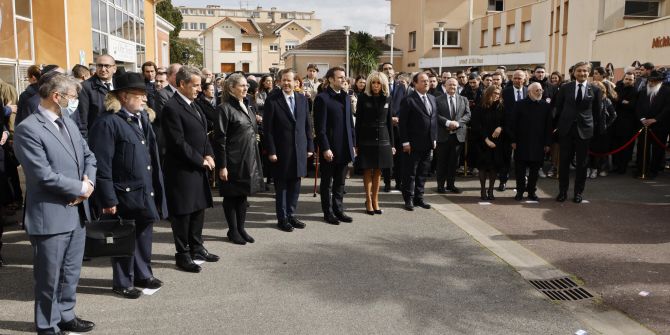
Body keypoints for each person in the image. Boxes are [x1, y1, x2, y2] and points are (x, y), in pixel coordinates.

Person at [13, 73, 96, 334]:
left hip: (76, 212)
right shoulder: (29, 129)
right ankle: (47, 324)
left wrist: (89, 185)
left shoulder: (68, 121)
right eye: (72, 97)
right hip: (50, 215)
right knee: (49, 277)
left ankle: (66, 315)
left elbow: (88, 155)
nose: (75, 102)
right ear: (56, 96)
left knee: (71, 272)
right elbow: (42, 175)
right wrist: (80, 188)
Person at [88, 72, 167, 299]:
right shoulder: (108, 122)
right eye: (140, 95)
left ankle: (143, 274)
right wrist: (108, 198)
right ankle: (123, 281)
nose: (145, 100)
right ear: (123, 96)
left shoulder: (142, 118)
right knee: (124, 237)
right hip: (123, 192)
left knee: (144, 233)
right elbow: (101, 164)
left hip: (143, 189)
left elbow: (150, 155)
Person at [162, 66, 218, 272]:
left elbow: (203, 135)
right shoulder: (172, 107)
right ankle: (182, 253)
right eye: (194, 85)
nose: (199, 89)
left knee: (198, 209)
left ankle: (197, 247)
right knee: (183, 213)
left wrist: (210, 154)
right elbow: (177, 142)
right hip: (182, 170)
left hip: (197, 167)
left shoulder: (194, 105)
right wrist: (200, 160)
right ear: (182, 84)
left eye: (200, 85)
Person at [214, 73, 265, 244]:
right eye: (242, 85)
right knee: (231, 196)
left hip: (248, 158)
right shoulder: (224, 109)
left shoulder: (248, 106)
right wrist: (222, 165)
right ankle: (233, 230)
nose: (246, 88)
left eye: (246, 85)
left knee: (243, 196)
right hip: (232, 160)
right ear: (231, 88)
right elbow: (220, 139)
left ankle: (241, 228)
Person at [263, 69, 314, 230]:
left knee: (295, 185)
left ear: (296, 82)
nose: (286, 83)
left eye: (289, 80)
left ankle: (291, 215)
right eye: (283, 80)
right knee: (282, 187)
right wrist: (271, 151)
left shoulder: (302, 99)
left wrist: (310, 146)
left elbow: (307, 125)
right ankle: (282, 218)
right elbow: (268, 129)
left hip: (299, 149)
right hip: (281, 151)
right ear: (279, 82)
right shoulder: (272, 100)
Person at [554, 61, 603, 203]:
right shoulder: (565, 88)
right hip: (566, 130)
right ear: (574, 73)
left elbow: (596, 112)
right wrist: (558, 126)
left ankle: (578, 193)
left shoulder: (595, 90)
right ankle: (562, 192)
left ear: (589, 73)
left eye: (585, 71)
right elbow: (558, 107)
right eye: (579, 71)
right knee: (564, 162)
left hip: (585, 131)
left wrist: (595, 130)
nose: (582, 73)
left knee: (582, 164)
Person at [314, 66, 356, 224]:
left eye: (344, 77)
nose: (343, 80)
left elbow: (349, 124)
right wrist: (325, 148)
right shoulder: (323, 98)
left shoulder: (345, 96)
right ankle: (328, 212)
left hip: (345, 147)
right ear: (331, 79)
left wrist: (353, 144)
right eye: (340, 77)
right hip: (330, 149)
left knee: (340, 182)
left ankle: (339, 210)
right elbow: (320, 128)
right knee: (327, 184)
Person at [355, 71, 394, 215]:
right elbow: (358, 122)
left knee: (378, 171)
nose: (376, 85)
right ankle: (368, 200)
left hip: (383, 139)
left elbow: (389, 122)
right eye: (373, 82)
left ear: (383, 84)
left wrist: (393, 144)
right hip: (366, 138)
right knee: (367, 170)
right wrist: (356, 143)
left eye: (378, 83)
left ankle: (375, 200)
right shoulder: (363, 98)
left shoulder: (388, 98)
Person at [399, 72, 438, 211]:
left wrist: (434, 138)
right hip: (412, 144)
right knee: (410, 173)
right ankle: (408, 199)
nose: (426, 83)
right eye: (423, 81)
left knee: (422, 172)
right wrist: (405, 142)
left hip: (427, 143)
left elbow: (434, 121)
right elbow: (402, 124)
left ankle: (419, 198)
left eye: (427, 80)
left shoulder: (433, 99)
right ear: (415, 83)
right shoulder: (408, 100)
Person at [510, 83, 552, 201]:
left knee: (535, 171)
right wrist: (513, 140)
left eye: (541, 90)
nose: (540, 92)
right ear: (529, 92)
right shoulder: (519, 105)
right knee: (520, 170)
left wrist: (547, 143)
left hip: (539, 144)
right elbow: (513, 124)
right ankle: (520, 191)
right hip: (521, 143)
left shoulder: (545, 106)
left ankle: (531, 191)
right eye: (537, 90)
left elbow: (549, 126)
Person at [435, 78, 471, 194]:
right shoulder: (437, 99)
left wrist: (458, 123)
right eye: (450, 85)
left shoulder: (463, 99)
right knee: (442, 162)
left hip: (458, 136)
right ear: (445, 86)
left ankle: (451, 185)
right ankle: (440, 186)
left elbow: (468, 114)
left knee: (453, 162)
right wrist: (448, 122)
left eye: (454, 85)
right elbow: (435, 114)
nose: (452, 87)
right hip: (443, 135)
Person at [635, 70, 670, 179]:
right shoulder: (643, 91)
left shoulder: (667, 91)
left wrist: (655, 119)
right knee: (642, 148)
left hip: (659, 126)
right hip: (644, 125)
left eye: (654, 81)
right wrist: (642, 119)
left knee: (657, 150)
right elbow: (638, 106)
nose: (651, 83)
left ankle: (654, 171)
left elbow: (667, 108)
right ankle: (641, 169)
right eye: (650, 80)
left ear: (659, 81)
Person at [498, 70, 528, 191]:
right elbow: (501, 111)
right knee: (506, 157)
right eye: (515, 78)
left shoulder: (528, 91)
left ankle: (522, 182)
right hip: (507, 130)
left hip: (524, 132)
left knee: (522, 159)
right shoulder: (505, 92)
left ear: (524, 79)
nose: (517, 80)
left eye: (519, 78)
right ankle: (503, 181)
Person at [77, 54, 117, 137]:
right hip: (98, 137)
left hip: (118, 135)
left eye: (107, 66)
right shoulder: (85, 87)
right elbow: (82, 119)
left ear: (114, 68)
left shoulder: (120, 84)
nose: (103, 69)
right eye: (99, 66)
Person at [381, 62, 406, 192]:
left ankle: (399, 182)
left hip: (399, 127)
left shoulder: (401, 86)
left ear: (394, 71)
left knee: (400, 157)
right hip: (385, 126)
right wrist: (388, 118)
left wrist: (399, 118)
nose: (388, 71)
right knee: (387, 156)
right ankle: (387, 182)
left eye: (390, 69)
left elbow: (405, 104)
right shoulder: (379, 86)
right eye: (385, 69)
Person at [587, 80, 617, 178]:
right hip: (588, 128)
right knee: (587, 150)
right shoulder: (587, 99)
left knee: (597, 151)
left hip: (600, 130)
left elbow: (613, 115)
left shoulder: (606, 100)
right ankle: (588, 168)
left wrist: (606, 125)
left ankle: (595, 169)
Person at [612, 71, 638, 174]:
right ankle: (616, 165)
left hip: (628, 124)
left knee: (625, 146)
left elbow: (632, 105)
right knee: (615, 145)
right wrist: (623, 101)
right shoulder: (617, 88)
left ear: (634, 80)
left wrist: (620, 100)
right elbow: (614, 100)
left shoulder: (635, 91)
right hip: (616, 122)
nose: (628, 81)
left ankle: (622, 168)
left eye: (630, 79)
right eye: (626, 79)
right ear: (623, 79)